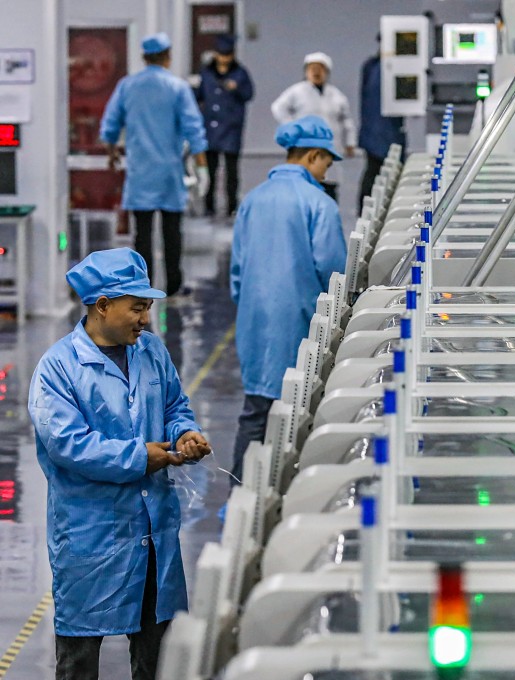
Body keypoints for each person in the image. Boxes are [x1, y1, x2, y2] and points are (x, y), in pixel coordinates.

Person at [28, 248, 212, 680]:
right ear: (102, 305)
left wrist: (184, 432)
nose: (145, 319)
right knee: (79, 659)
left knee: (156, 655)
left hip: (152, 529)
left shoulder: (151, 352)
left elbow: (174, 405)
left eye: (147, 308)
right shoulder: (58, 368)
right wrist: (140, 457)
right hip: (91, 532)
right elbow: (69, 445)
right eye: (137, 308)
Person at [229, 116, 347, 483]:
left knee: (255, 413)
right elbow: (334, 273)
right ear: (312, 156)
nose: (326, 172)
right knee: (295, 415)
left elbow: (237, 270)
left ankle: (238, 496)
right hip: (298, 324)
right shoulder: (319, 204)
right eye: (326, 162)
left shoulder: (252, 200)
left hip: (254, 323)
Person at [100, 32, 209, 298]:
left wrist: (112, 151)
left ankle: (141, 288)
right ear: (168, 56)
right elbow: (193, 127)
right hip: (169, 171)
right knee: (172, 231)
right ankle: (173, 285)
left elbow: (111, 123)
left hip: (141, 171)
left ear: (144, 57)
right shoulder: (177, 87)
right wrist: (202, 165)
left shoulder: (127, 86)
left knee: (142, 233)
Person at [270, 52, 356, 199]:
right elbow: (278, 108)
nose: (316, 72)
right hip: (305, 147)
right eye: (312, 68)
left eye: (320, 69)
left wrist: (350, 142)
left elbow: (346, 119)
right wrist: (294, 128)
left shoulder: (336, 95)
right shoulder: (297, 91)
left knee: (329, 186)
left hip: (330, 147)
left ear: (327, 72)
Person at [194, 34, 254, 217]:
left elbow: (249, 94)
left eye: (227, 55)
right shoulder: (206, 73)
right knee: (210, 170)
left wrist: (237, 88)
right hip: (210, 128)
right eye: (221, 54)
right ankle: (209, 205)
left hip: (231, 128)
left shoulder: (240, 73)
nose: (224, 59)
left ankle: (231, 205)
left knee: (231, 171)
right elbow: (198, 95)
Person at [357, 47, 405, 211]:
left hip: (379, 133)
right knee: (376, 173)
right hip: (380, 134)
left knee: (376, 173)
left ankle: (366, 212)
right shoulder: (377, 69)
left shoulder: (373, 68)